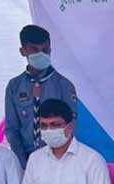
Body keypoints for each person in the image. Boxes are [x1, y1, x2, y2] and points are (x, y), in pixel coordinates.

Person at [5, 25, 77, 168]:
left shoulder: (64, 85)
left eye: (44, 50)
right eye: (34, 50)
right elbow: (12, 129)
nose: (41, 54)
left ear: (50, 50)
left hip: (58, 159)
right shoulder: (14, 86)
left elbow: (71, 127)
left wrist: (60, 160)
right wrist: (22, 163)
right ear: (22, 51)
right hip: (26, 160)